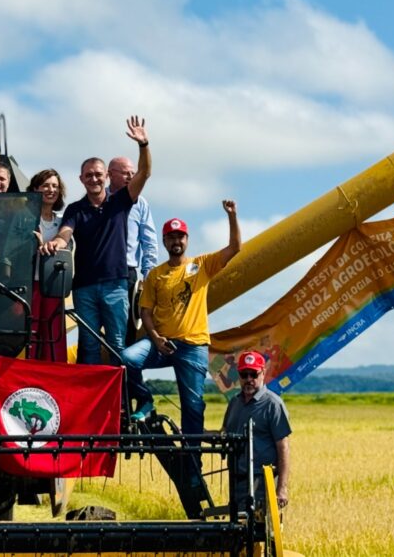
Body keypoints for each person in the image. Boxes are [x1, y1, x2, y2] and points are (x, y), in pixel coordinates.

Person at [123, 200, 241, 438]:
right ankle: (145, 401)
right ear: (164, 241)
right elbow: (145, 312)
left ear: (187, 240)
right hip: (161, 342)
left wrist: (232, 215)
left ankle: (192, 459)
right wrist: (155, 338)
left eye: (180, 237)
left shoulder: (202, 265)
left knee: (193, 405)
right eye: (171, 237)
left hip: (193, 345)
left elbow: (235, 247)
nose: (176, 241)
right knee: (127, 359)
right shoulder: (156, 274)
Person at [40, 116, 151, 366]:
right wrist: (55, 244)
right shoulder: (76, 209)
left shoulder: (121, 201)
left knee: (118, 346)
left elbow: (145, 173)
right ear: (81, 179)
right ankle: (90, 403)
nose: (94, 179)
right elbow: (65, 233)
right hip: (84, 288)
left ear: (106, 177)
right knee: (88, 347)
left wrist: (144, 145)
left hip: (116, 285)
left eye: (98, 174)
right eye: (88, 175)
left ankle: (119, 402)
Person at [222, 350, 291, 514]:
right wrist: (198, 432)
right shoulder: (234, 403)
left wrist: (282, 488)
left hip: (262, 480)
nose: (248, 380)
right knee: (238, 528)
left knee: (260, 529)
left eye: (253, 374)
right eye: (244, 375)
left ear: (263, 373)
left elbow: (283, 447)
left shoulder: (273, 404)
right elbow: (223, 434)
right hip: (237, 480)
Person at [26, 169, 69, 361]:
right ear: (35, 188)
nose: (50, 190)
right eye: (45, 185)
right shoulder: (25, 218)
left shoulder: (63, 224)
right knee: (31, 334)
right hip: (29, 283)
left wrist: (44, 244)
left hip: (53, 285)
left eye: (55, 186)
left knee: (53, 336)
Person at [107, 156, 158, 287]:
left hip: (126, 272)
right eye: (125, 173)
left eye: (132, 173)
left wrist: (149, 274)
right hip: (98, 269)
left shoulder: (140, 203)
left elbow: (149, 240)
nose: (130, 177)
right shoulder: (99, 199)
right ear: (110, 174)